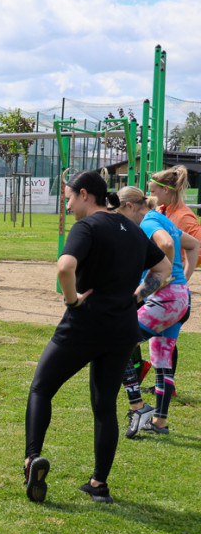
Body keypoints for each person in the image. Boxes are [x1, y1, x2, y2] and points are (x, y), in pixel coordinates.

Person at [23, 171, 169, 505]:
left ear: (86, 194)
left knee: (41, 388)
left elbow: (64, 267)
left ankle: (32, 459)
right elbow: (163, 268)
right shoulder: (132, 229)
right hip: (122, 330)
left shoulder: (86, 227)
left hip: (84, 325)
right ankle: (99, 484)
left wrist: (72, 300)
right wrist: (135, 298)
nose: (68, 203)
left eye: (69, 197)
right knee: (104, 407)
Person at [112, 186, 198, 438]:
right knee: (162, 361)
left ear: (129, 206)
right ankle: (159, 421)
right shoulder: (161, 218)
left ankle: (138, 407)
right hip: (181, 299)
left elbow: (167, 243)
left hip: (165, 300)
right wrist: (182, 277)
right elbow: (194, 245)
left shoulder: (148, 221)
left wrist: (165, 275)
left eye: (120, 213)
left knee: (119, 342)